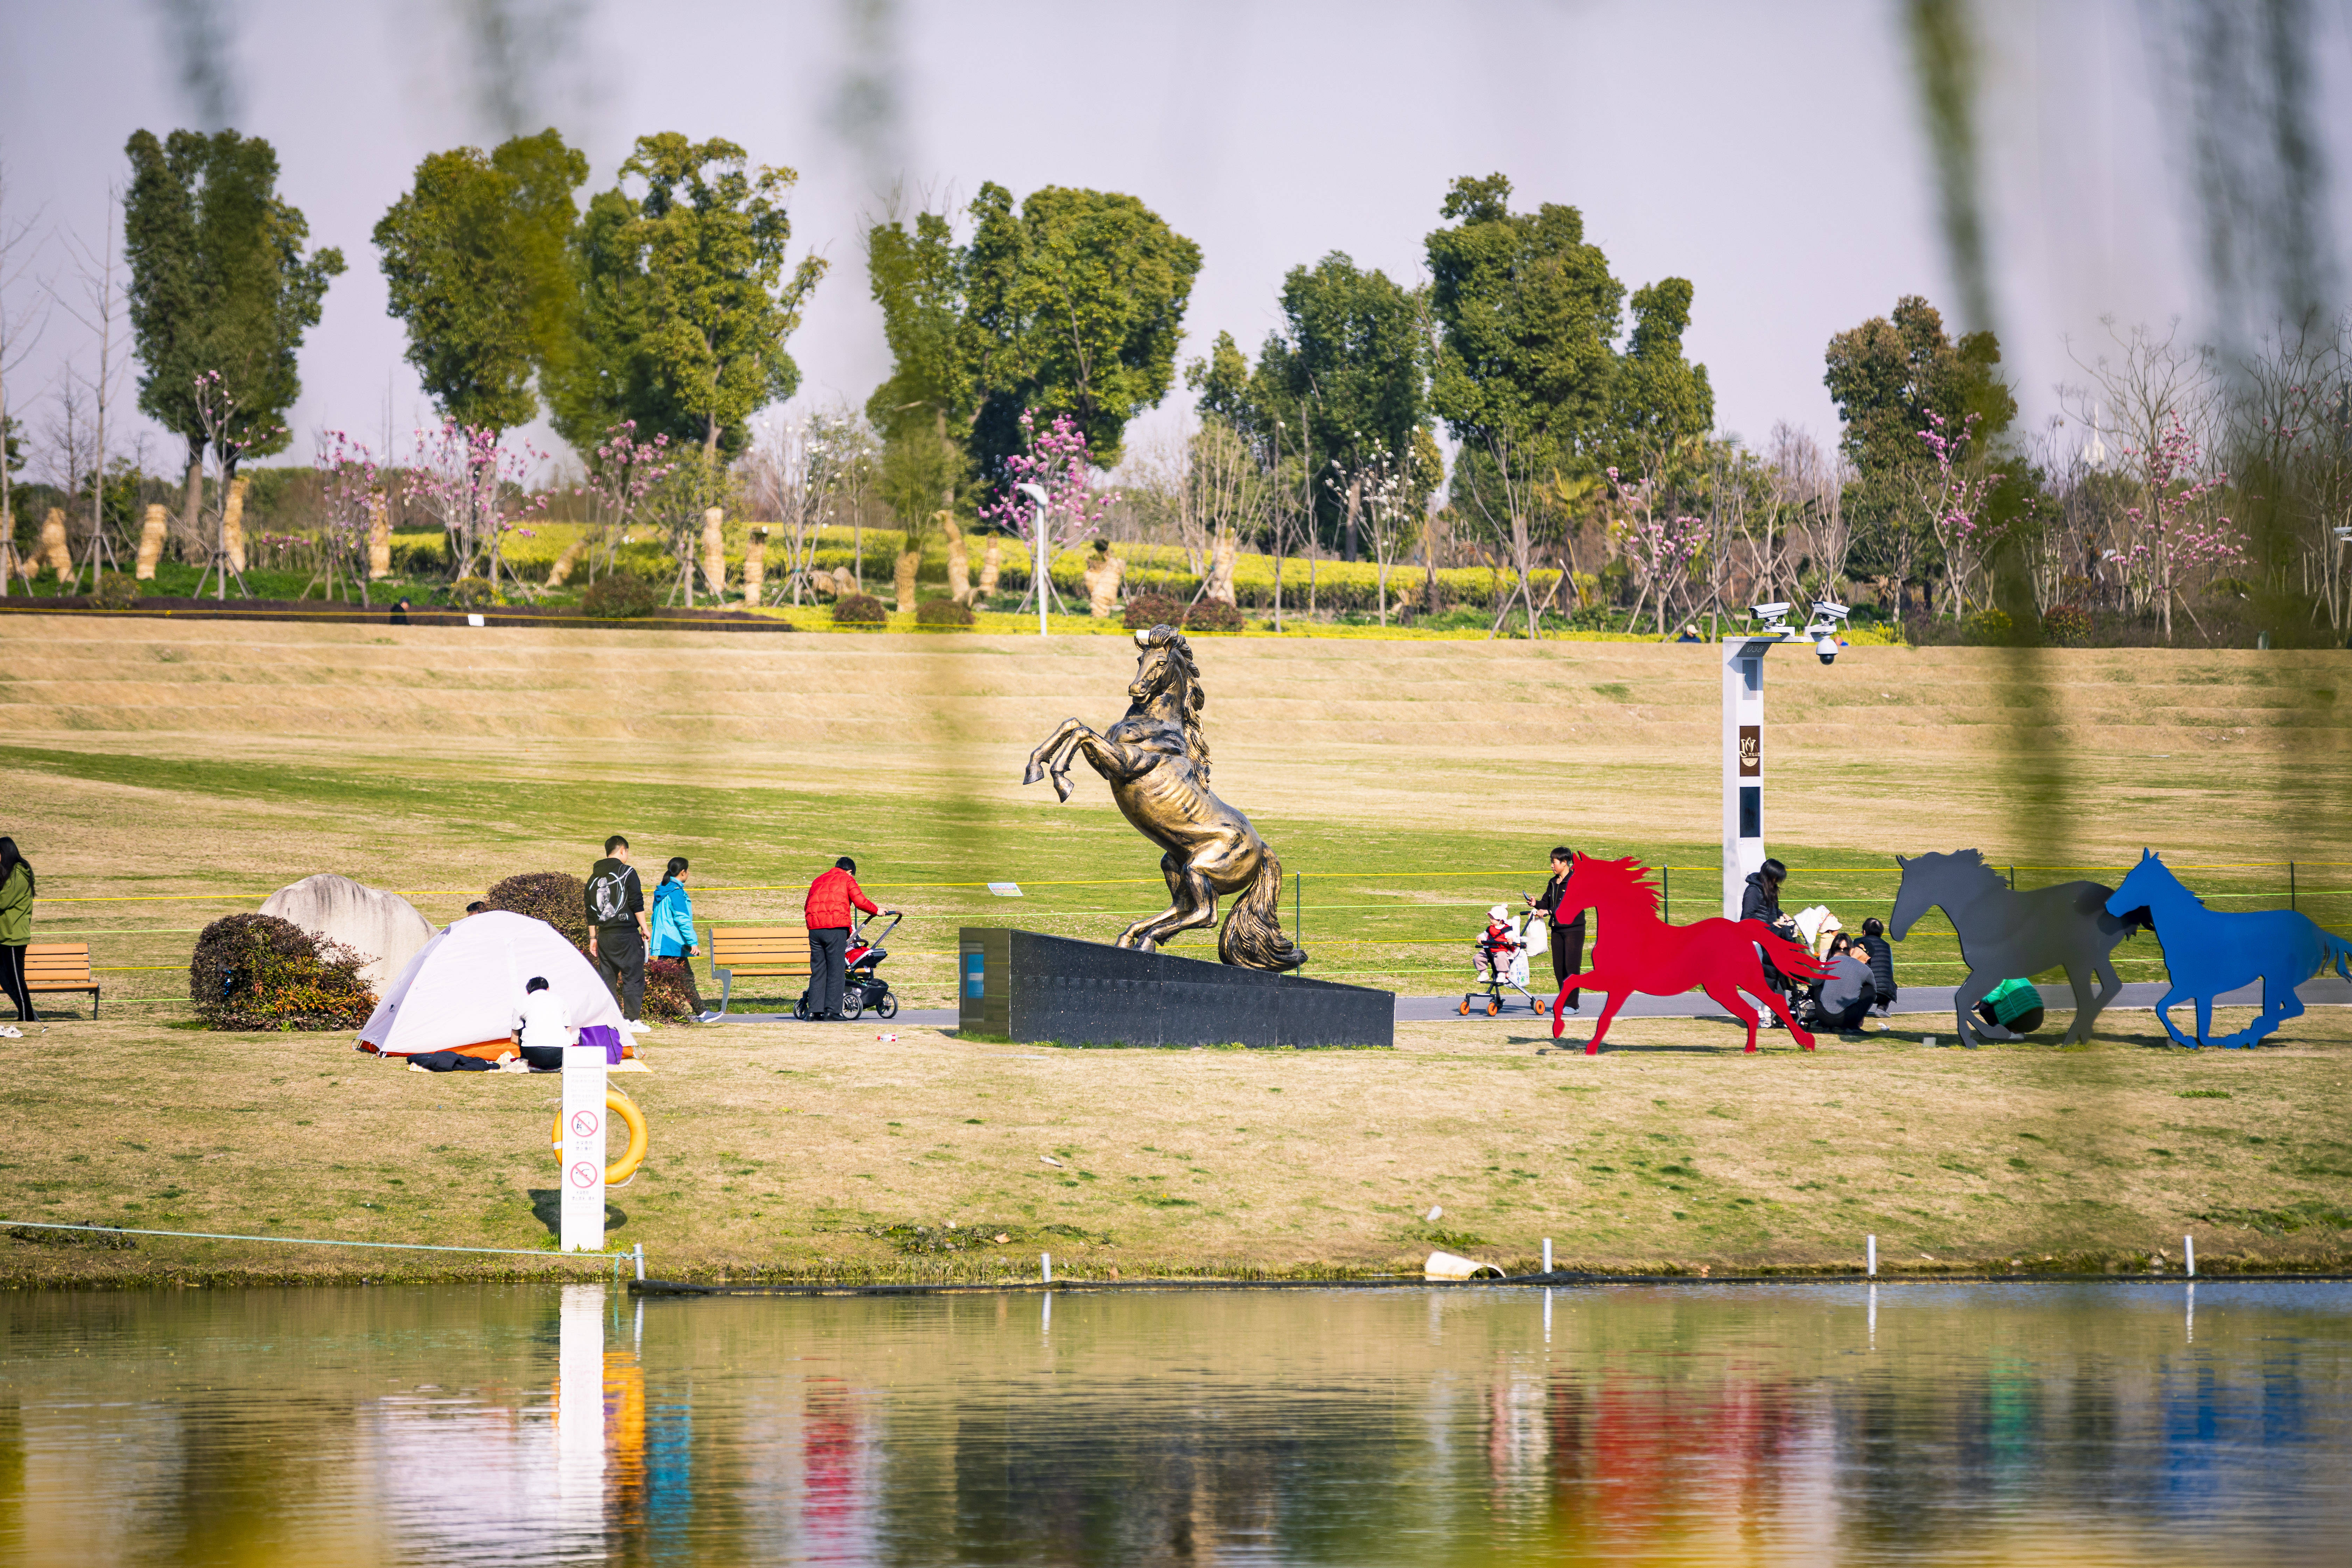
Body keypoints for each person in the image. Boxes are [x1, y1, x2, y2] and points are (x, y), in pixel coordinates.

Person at [804, 856, 893, 1021]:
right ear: (850, 871)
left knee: (819, 970)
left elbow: (807, 905)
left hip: (815, 929)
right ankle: (832, 1011)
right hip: (835, 928)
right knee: (837, 970)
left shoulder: (818, 880)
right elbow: (860, 902)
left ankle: (813, 1011)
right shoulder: (846, 879)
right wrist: (877, 910)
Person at [586, 835, 650, 1033]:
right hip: (627, 933)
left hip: (604, 936)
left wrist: (593, 938)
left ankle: (611, 1020)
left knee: (608, 979)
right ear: (623, 850)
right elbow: (636, 902)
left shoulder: (592, 879)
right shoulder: (627, 872)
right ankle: (631, 1020)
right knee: (633, 976)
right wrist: (645, 928)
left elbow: (589, 911)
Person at [651, 857, 719, 1023]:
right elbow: (682, 919)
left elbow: (655, 917)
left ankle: (659, 1014)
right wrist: (692, 942)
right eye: (688, 871)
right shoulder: (676, 892)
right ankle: (702, 1013)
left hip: (662, 941)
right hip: (672, 943)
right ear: (683, 872)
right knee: (686, 978)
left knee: (664, 981)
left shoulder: (663, 890)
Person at [1529, 846, 1588, 1013]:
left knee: (1571, 967)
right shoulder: (1553, 882)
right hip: (1557, 930)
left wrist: (1549, 911)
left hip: (1573, 930)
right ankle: (1564, 1000)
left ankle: (1573, 1005)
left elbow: (1571, 905)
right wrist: (1537, 904)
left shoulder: (1576, 881)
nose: (1552, 866)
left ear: (1565, 862)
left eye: (1554, 863)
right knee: (1559, 967)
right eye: (1551, 862)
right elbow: (1547, 904)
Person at [1806, 933, 1877, 1033]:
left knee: (1820, 986)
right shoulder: (1866, 970)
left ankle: (1826, 1025)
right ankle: (1852, 1027)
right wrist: (1861, 1016)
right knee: (1870, 990)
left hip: (1823, 1016)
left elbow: (1814, 982)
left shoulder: (1834, 960)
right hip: (1845, 1019)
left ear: (1852, 951)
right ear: (1867, 959)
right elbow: (1874, 992)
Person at [0, 837, 33, 1037]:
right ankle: (25, 1013)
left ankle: (27, 1017)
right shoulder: (9, 874)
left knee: (16, 980)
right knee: (4, 978)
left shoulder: (19, 875)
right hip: (4, 936)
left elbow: (2, 901)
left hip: (14, 936)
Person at [508, 974, 576, 1070]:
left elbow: (514, 1039)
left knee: (523, 1024)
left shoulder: (522, 1004)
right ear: (548, 989)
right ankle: (564, 1065)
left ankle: (523, 1062)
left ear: (528, 993)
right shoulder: (562, 1001)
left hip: (532, 1053)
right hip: (560, 1054)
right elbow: (568, 1031)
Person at [1976, 977, 2046, 1037]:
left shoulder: (2000, 977)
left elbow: (1992, 1000)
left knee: (1984, 1008)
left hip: (2024, 1019)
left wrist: (1980, 999)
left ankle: (2001, 1033)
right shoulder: (2019, 975)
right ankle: (2016, 1031)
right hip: (2038, 1018)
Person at [1858, 916, 1898, 1016]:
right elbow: (1891, 969)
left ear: (1864, 932)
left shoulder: (1858, 942)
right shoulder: (1887, 946)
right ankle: (1882, 1008)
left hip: (1864, 991)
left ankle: (1860, 1008)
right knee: (1890, 983)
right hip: (1885, 992)